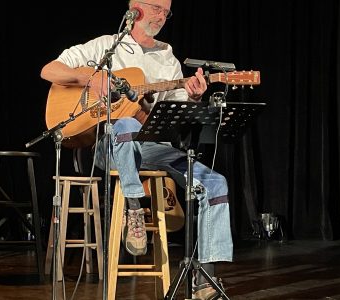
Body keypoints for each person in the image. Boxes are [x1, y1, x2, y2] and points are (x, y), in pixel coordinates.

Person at [40, 0, 233, 298]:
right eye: (157, 8)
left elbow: (177, 113)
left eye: (166, 11)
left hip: (153, 146)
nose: (162, 16)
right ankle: (134, 209)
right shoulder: (106, 46)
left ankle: (204, 279)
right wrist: (90, 78)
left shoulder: (168, 58)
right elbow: (49, 71)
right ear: (136, 8)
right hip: (109, 147)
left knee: (215, 182)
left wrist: (193, 98)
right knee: (126, 125)